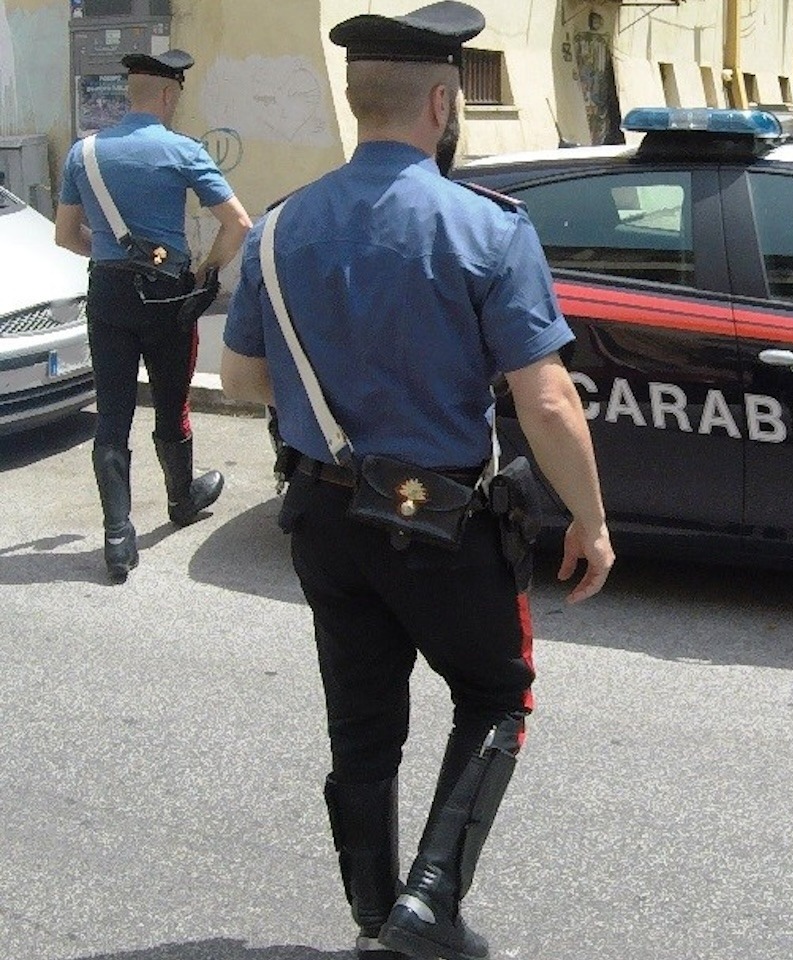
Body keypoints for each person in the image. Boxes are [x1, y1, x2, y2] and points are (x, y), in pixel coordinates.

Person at [218, 4, 613, 960]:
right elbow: (550, 404)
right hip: (436, 519)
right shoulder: (486, 228)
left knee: (362, 722)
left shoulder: (275, 230)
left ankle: (371, 910)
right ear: (441, 102)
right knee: (494, 695)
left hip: (318, 510)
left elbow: (238, 383)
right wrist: (592, 522)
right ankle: (427, 912)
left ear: (360, 102)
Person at [55, 49, 252, 584]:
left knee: (113, 415)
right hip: (168, 297)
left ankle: (118, 538)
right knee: (172, 402)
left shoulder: (85, 153)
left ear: (130, 94)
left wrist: (116, 254)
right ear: (168, 95)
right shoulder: (182, 150)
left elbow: (66, 236)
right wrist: (207, 271)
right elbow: (237, 224)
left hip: (108, 297)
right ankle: (181, 500)